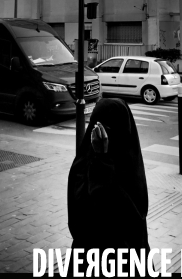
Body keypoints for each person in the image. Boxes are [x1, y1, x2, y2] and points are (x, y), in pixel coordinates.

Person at [67, 98, 150, 274]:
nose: (103, 136)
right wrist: (100, 160)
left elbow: (130, 217)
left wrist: (102, 160)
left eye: (109, 130)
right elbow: (82, 218)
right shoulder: (85, 164)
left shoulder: (130, 166)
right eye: (97, 129)